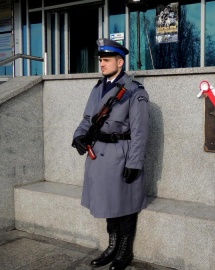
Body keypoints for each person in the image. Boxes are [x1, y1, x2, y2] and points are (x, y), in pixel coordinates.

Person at [72, 38, 150, 270]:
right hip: (98, 152)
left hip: (120, 154)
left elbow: (140, 131)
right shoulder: (98, 88)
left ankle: (124, 251)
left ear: (120, 62)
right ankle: (112, 246)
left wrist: (134, 162)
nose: (102, 64)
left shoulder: (135, 92)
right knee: (108, 202)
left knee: (124, 205)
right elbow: (87, 119)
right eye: (101, 60)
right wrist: (78, 136)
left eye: (106, 60)